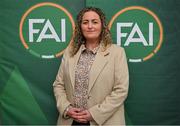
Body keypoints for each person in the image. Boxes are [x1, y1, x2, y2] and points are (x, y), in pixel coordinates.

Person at [53, 7, 129, 125]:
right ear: (80, 27)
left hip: (104, 121)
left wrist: (94, 114)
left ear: (102, 26)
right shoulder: (70, 52)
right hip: (71, 121)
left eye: (94, 22)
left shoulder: (117, 53)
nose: (90, 26)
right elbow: (58, 85)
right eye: (85, 22)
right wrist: (67, 108)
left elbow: (121, 90)